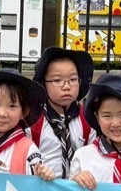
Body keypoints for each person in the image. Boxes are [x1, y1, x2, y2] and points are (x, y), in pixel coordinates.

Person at [31, 47, 94, 177]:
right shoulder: (33, 120)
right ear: (43, 84)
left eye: (73, 79)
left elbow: (95, 157)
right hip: (43, 189)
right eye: (57, 80)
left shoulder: (87, 118)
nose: (66, 87)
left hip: (78, 190)